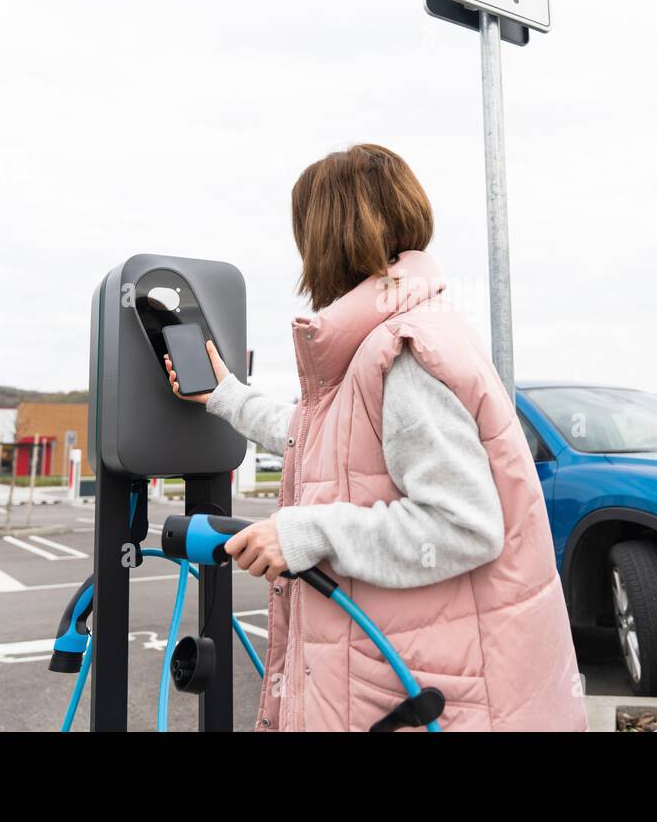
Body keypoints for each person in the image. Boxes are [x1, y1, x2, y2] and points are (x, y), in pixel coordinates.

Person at [165, 143, 586, 731]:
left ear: (328, 237)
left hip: (426, 690)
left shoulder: (404, 350)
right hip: (404, 678)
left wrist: (305, 532)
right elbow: (326, 444)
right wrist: (226, 397)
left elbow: (463, 524)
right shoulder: (386, 339)